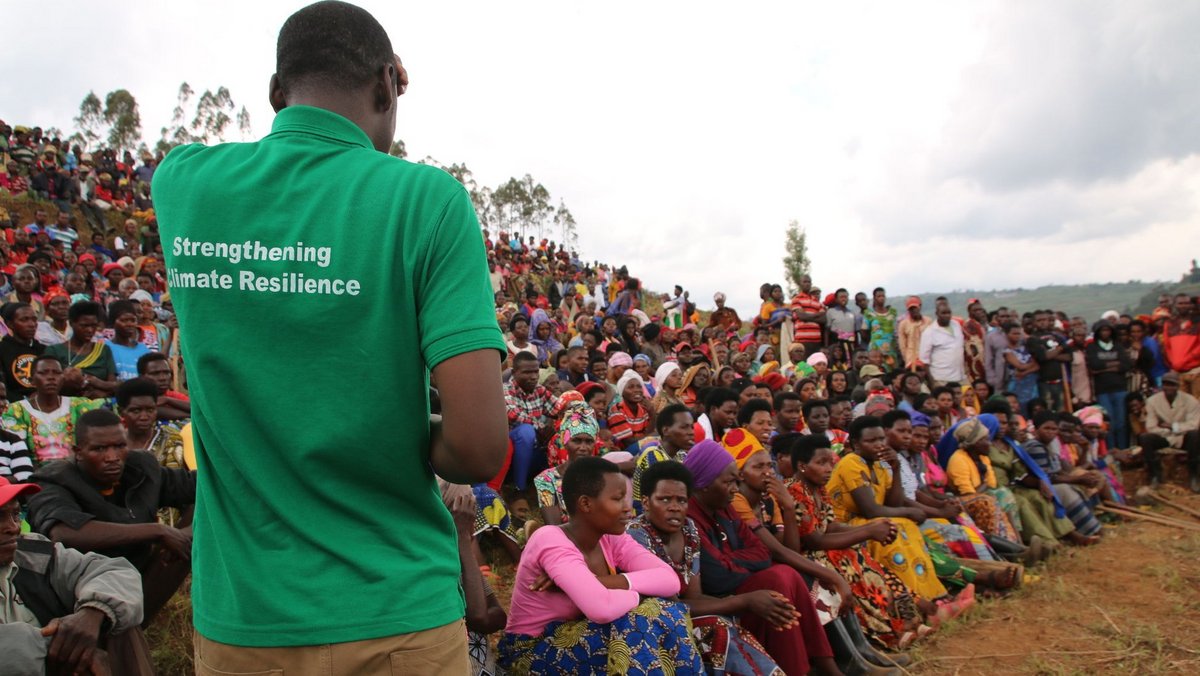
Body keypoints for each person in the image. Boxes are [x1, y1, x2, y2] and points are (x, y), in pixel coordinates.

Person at [155, 2, 508, 667]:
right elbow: (479, 446)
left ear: (276, 92)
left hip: (245, 620)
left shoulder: (182, 184)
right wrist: (390, 424)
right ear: (390, 81)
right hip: (397, 611)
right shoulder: (426, 201)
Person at [498, 456, 701, 674]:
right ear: (586, 504)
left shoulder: (611, 537)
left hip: (581, 632)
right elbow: (601, 608)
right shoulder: (550, 540)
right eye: (618, 499)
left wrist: (600, 583)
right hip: (532, 649)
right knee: (639, 620)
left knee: (668, 610)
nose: (628, 509)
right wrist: (642, 596)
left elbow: (670, 580)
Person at [682, 440, 841, 675]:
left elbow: (763, 553)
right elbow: (717, 576)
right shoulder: (690, 518)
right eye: (728, 482)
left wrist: (731, 559)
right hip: (717, 598)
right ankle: (799, 669)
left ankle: (825, 664)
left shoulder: (725, 507)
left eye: (736, 481)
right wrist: (736, 561)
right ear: (703, 484)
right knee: (777, 580)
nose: (735, 488)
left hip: (738, 585)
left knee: (786, 575)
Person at [27, 409, 196, 626]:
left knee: (200, 510)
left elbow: (199, 486)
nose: (112, 457)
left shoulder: (142, 467)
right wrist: (158, 531)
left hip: (134, 575)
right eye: (99, 449)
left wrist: (188, 534)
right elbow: (63, 532)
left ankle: (133, 625)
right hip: (75, 585)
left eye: (119, 446)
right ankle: (109, 630)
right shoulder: (53, 480)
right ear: (78, 452)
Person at [626, 461, 784, 675]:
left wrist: (744, 604)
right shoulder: (636, 535)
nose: (674, 507)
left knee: (733, 623)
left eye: (681, 500)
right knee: (717, 628)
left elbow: (695, 594)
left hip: (679, 615)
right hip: (650, 623)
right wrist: (744, 600)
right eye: (664, 499)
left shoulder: (689, 530)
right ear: (645, 502)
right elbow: (672, 606)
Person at [0, 475, 155, 676]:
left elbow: (115, 571)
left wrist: (92, 613)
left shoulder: (29, 552)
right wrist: (68, 648)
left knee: (116, 619)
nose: (13, 527)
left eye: (15, 514)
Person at [787, 434, 926, 651]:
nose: (828, 469)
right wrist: (868, 531)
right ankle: (887, 632)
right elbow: (814, 540)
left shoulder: (817, 488)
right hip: (805, 557)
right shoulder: (795, 491)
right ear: (803, 466)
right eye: (820, 463)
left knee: (858, 555)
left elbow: (830, 525)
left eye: (830, 463)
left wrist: (867, 529)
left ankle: (906, 621)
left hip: (821, 548)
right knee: (845, 559)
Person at [2, 355, 104, 470]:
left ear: (63, 378)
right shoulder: (16, 410)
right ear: (32, 381)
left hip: (76, 474)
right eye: (43, 373)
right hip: (35, 476)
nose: (51, 377)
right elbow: (18, 453)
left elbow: (117, 407)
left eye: (56, 373)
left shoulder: (79, 406)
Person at [1021, 412, 1103, 539]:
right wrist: (1077, 479)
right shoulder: (1035, 447)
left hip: (1046, 483)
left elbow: (1058, 471)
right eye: (1046, 428)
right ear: (1036, 430)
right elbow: (1047, 477)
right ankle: (1089, 530)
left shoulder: (1049, 446)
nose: (1051, 432)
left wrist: (1078, 479)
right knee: (1065, 490)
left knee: (1077, 485)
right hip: (1035, 485)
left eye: (1054, 429)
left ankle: (1091, 525)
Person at [534, 399, 599, 525]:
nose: (583, 447)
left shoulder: (602, 476)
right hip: (565, 541)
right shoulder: (546, 480)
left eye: (589, 441)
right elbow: (554, 526)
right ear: (565, 442)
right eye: (577, 441)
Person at [1139, 371, 1200, 492]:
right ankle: (1155, 475)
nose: (1168, 388)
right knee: (1145, 438)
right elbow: (1151, 426)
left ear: (1178, 386)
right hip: (1163, 436)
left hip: (1184, 437)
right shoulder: (1152, 401)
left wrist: (1174, 427)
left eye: (1172, 385)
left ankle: (1194, 476)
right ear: (1162, 386)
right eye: (1166, 384)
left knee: (1195, 435)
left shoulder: (1191, 401)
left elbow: (1193, 424)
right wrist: (1166, 431)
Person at [506, 351, 559, 489]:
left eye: (536, 372)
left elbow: (559, 409)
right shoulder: (505, 390)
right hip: (509, 452)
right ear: (514, 372)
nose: (534, 377)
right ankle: (519, 487)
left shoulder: (539, 390)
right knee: (526, 431)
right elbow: (513, 415)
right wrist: (540, 427)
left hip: (535, 449)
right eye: (527, 372)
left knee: (568, 429)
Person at [45, 300, 118, 400]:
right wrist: (85, 383)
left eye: (94, 326)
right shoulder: (54, 351)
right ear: (71, 323)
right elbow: (52, 382)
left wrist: (95, 382)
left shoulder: (103, 350)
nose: (90, 330)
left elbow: (113, 385)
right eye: (84, 326)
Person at [632, 403, 695, 513]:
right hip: (645, 513)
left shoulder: (681, 454)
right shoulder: (652, 454)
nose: (691, 432)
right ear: (665, 430)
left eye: (691, 427)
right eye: (684, 427)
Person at [117, 378, 186, 470]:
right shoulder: (113, 441)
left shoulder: (170, 440)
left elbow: (174, 480)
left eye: (150, 410)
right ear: (121, 412)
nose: (144, 417)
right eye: (136, 411)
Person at [1086, 321, 1132, 449]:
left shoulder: (1118, 346)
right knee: (1108, 422)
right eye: (1102, 330)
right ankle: (1111, 450)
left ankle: (1124, 450)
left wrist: (1102, 368)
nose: (1105, 333)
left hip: (1120, 388)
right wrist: (1114, 364)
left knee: (1121, 422)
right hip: (1102, 390)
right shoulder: (1092, 347)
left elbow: (1126, 365)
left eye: (1107, 330)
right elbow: (1094, 366)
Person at [0, 302, 45, 401]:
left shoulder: (44, 350)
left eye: (34, 319)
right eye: (24, 320)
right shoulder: (2, 349)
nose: (32, 324)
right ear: (10, 324)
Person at [1161, 293, 1200, 397]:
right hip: (1177, 371)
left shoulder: (1197, 322)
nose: (1184, 306)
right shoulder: (1169, 323)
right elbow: (1167, 346)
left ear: (1191, 305)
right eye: (1180, 303)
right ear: (1175, 305)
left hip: (1196, 370)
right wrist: (1174, 364)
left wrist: (1185, 361)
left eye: (1186, 303)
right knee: (1182, 405)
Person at [918, 304, 965, 387]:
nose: (947, 315)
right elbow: (924, 361)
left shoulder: (956, 325)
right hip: (941, 379)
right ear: (937, 314)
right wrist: (932, 383)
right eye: (943, 313)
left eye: (949, 313)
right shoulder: (929, 332)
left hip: (960, 376)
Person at [136, 352, 191, 421]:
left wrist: (167, 400)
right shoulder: (136, 397)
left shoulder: (172, 396)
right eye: (155, 373)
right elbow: (156, 411)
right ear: (141, 377)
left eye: (166, 372)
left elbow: (197, 409)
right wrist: (191, 415)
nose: (162, 378)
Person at [863, 288, 899, 370]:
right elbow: (864, 331)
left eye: (883, 296)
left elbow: (896, 329)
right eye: (879, 296)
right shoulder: (869, 314)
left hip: (890, 347)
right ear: (874, 298)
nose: (881, 298)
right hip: (876, 348)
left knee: (891, 369)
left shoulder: (892, 313)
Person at [896, 297, 931, 370]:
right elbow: (902, 345)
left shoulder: (928, 321)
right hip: (911, 358)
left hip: (927, 357)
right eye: (911, 309)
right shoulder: (903, 324)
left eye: (915, 308)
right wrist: (907, 358)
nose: (913, 310)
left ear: (920, 307)